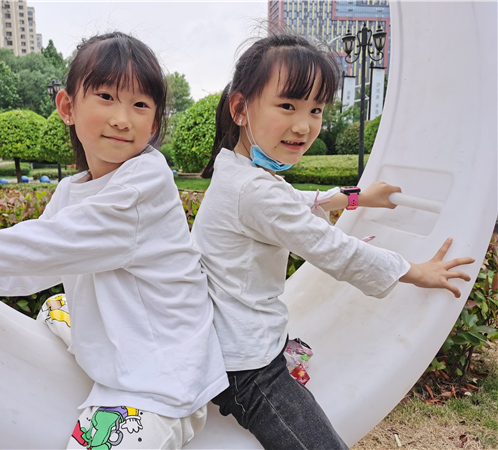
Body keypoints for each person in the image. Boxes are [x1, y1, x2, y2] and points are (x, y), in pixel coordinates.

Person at [0, 32, 228, 449]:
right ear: (68, 107)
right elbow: (33, 267)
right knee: (56, 307)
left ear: (155, 123)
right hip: (122, 342)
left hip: (159, 378)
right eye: (106, 96)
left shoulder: (143, 183)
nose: (122, 118)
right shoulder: (73, 189)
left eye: (140, 105)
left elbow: (46, 247)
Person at [191, 33, 475, 450]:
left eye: (316, 109)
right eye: (287, 106)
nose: (303, 125)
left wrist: (359, 197)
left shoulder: (238, 171)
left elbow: (299, 201)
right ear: (240, 108)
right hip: (247, 367)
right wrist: (416, 271)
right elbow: (335, 249)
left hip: (233, 341)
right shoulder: (252, 190)